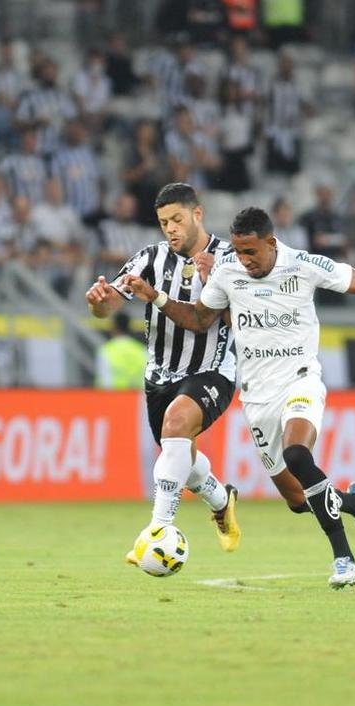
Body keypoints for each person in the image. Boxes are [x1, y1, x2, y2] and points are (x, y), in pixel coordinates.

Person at [123, 206, 355, 588]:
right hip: (257, 396)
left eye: (251, 252)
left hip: (300, 381)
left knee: (298, 455)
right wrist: (155, 296)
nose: (244, 260)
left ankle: (345, 561)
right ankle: (351, 503)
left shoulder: (303, 264)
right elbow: (201, 320)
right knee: (298, 500)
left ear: (271, 242)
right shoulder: (228, 271)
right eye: (238, 251)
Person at [83, 182, 243, 558]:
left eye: (177, 219)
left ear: (197, 214)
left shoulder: (229, 260)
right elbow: (109, 306)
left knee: (176, 427)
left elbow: (231, 319)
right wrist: (98, 303)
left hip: (212, 369)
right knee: (180, 456)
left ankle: (158, 530)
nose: (170, 228)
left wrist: (212, 285)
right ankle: (221, 501)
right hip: (160, 377)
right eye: (163, 222)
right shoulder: (149, 259)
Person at [96, 311, 148, 389]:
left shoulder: (106, 350)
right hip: (138, 397)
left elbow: (105, 381)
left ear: (114, 328)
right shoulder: (141, 350)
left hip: (114, 397)